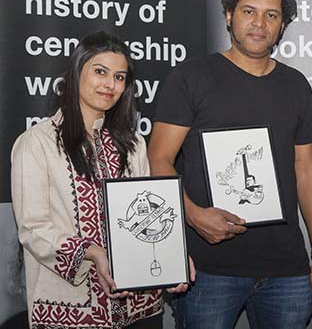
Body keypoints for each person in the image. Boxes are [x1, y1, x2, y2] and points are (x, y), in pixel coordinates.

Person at [148, 0, 312, 329]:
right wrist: (192, 214)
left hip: (287, 268)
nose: (259, 23)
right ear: (229, 15)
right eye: (249, 11)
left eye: (271, 15)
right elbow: (159, 159)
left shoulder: (295, 85)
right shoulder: (191, 78)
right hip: (209, 268)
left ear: (281, 26)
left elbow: (307, 169)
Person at [10, 31, 192, 329]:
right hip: (72, 306)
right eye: (100, 72)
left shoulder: (133, 143)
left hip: (139, 306)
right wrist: (92, 253)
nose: (110, 84)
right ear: (76, 72)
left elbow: (147, 214)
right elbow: (33, 229)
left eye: (120, 77)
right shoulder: (36, 143)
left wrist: (173, 256)